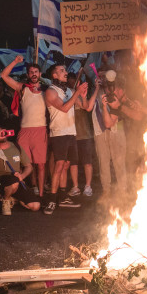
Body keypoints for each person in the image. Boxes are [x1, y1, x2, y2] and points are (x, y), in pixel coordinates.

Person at [43, 64, 88, 215]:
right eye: (61, 70)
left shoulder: (68, 90)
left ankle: (62, 198)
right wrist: (76, 93)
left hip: (70, 133)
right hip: (59, 133)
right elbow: (64, 108)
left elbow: (85, 106)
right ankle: (51, 200)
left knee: (66, 165)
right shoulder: (50, 91)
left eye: (65, 70)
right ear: (54, 75)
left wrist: (83, 94)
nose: (66, 72)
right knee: (59, 166)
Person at [1, 56, 48, 199]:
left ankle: (40, 194)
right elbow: (4, 75)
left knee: (40, 165)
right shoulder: (22, 88)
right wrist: (15, 61)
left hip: (40, 130)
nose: (34, 74)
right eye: (31, 72)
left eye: (36, 72)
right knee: (21, 164)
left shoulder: (46, 90)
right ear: (28, 75)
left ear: (40, 74)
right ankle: (21, 192)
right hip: (24, 131)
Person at [0, 126, 40, 215]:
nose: (1, 135)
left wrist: (22, 176)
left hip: (17, 179)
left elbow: (29, 166)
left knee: (35, 206)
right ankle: (5, 201)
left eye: (2, 133)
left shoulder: (16, 146)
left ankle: (13, 198)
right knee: (13, 182)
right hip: (0, 180)